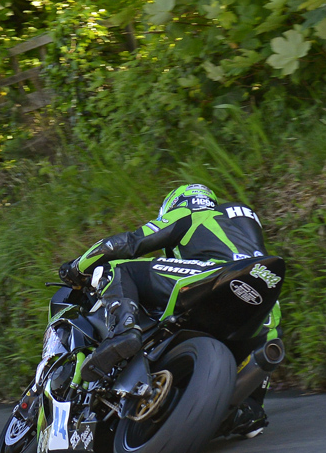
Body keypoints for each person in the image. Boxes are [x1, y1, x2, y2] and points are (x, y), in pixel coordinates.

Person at [59, 183, 281, 437]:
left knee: (120, 268)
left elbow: (130, 243)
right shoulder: (239, 227)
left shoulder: (192, 213)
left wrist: (78, 266)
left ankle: (125, 331)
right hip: (265, 304)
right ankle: (247, 410)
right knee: (267, 346)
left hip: (212, 276)